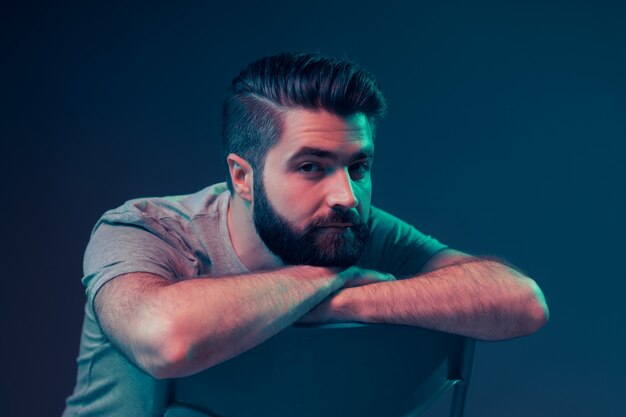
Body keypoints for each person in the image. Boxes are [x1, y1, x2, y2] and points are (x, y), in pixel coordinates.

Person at [63, 52, 549, 416]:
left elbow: (521, 302)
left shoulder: (349, 228)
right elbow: (166, 341)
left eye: (358, 166)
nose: (347, 195)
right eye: (311, 166)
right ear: (243, 177)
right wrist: (327, 278)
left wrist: (339, 301)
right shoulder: (144, 230)